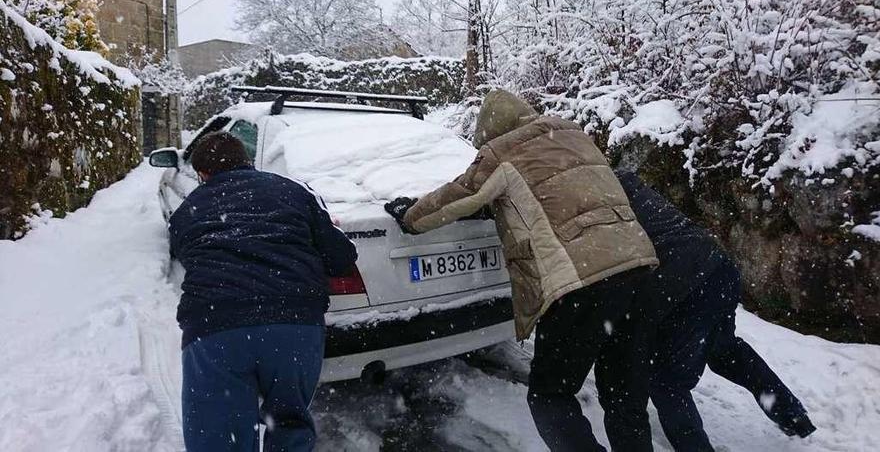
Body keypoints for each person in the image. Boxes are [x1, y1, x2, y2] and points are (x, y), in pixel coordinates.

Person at [384, 89, 659, 451]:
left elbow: (459, 195)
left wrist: (411, 216)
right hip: (639, 269)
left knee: (550, 397)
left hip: (580, 282)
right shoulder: (573, 133)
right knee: (624, 397)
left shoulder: (502, 151)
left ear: (489, 134)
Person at [594, 170, 816, 451]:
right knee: (724, 351)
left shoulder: (587, 198)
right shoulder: (621, 178)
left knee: (666, 379)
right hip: (716, 268)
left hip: (682, 285)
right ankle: (795, 417)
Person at [169, 131, 357, 452]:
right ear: (247, 161)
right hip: (294, 326)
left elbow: (188, 256)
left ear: (202, 175)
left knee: (218, 434)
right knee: (289, 424)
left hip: (216, 329)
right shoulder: (293, 192)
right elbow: (341, 258)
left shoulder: (188, 209)